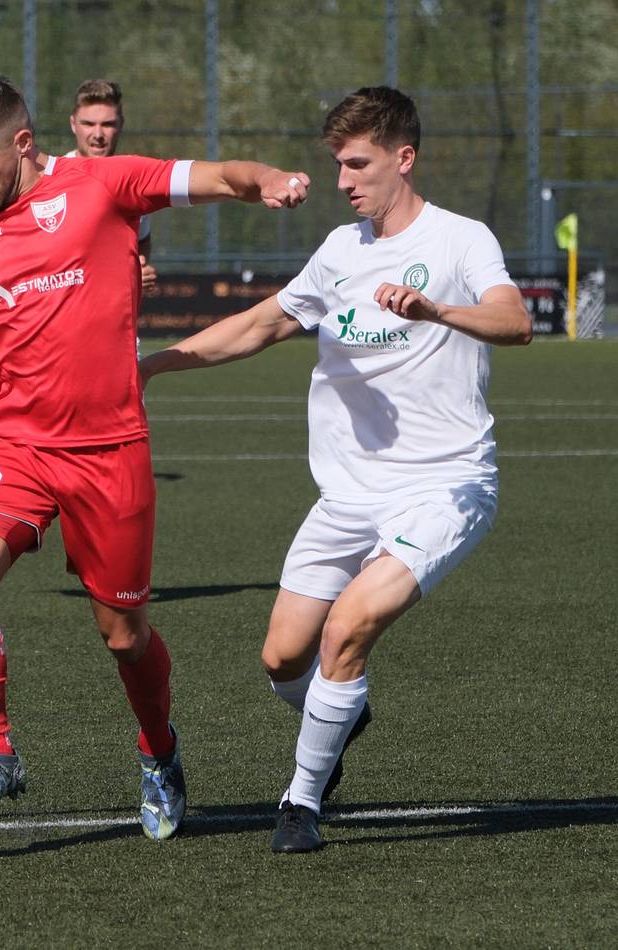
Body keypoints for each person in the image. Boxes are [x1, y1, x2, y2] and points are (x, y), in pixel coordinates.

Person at [0, 76, 309, 840]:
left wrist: (262, 180)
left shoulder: (103, 183)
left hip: (110, 452)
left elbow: (208, 178)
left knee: (124, 637)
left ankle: (159, 752)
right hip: (16, 444)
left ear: (24, 144)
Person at [139, 86, 532, 853]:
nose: (346, 179)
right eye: (338, 164)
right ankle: (339, 711)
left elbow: (513, 320)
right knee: (283, 657)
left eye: (359, 163)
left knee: (346, 630)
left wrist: (434, 310)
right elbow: (261, 325)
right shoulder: (339, 251)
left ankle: (301, 804)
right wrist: (151, 366)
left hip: (444, 486)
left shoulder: (462, 239)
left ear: (403, 158)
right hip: (350, 494)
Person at [66, 79, 156, 293]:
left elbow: (142, 241)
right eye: (88, 124)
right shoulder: (50, 182)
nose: (98, 135)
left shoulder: (134, 182)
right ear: (73, 124)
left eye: (107, 124)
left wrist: (138, 272)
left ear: (121, 124)